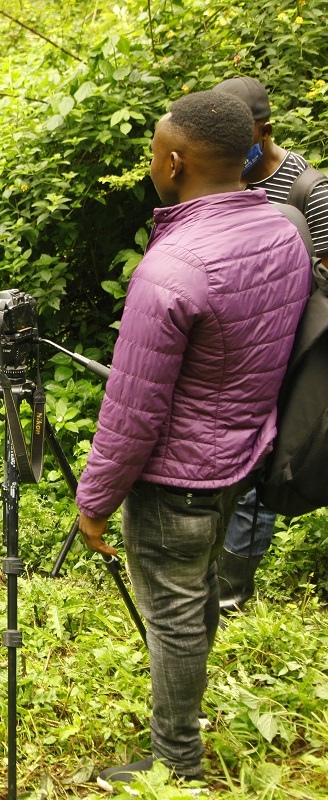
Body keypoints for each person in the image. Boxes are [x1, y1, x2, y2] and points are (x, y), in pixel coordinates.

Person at [75, 91, 310, 791]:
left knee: (174, 615)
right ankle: (186, 725)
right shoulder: (282, 229)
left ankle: (174, 759)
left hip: (176, 477)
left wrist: (93, 502)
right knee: (200, 591)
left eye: (153, 151)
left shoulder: (171, 269)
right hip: (242, 456)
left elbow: (133, 410)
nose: (151, 162)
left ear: (175, 162)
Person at [209, 76, 328, 614]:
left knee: (267, 464)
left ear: (264, 130)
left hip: (289, 350)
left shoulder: (310, 190)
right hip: (233, 355)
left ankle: (232, 593)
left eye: (240, 134)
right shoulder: (222, 179)